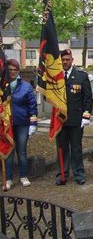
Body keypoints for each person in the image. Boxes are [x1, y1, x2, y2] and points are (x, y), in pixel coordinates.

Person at [55, 49, 93, 186]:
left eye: (67, 59)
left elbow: (88, 98)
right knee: (61, 148)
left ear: (72, 60)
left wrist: (86, 116)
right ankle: (62, 174)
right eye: (63, 60)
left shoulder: (81, 76)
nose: (65, 62)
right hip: (60, 120)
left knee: (76, 148)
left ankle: (79, 174)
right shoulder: (56, 77)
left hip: (76, 120)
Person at [4, 59, 37, 191]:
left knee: (22, 151)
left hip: (22, 123)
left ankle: (23, 176)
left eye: (14, 69)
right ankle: (8, 178)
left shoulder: (26, 86)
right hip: (8, 124)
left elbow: (32, 105)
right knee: (9, 152)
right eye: (10, 69)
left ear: (18, 70)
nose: (12, 72)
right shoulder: (3, 86)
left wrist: (33, 123)